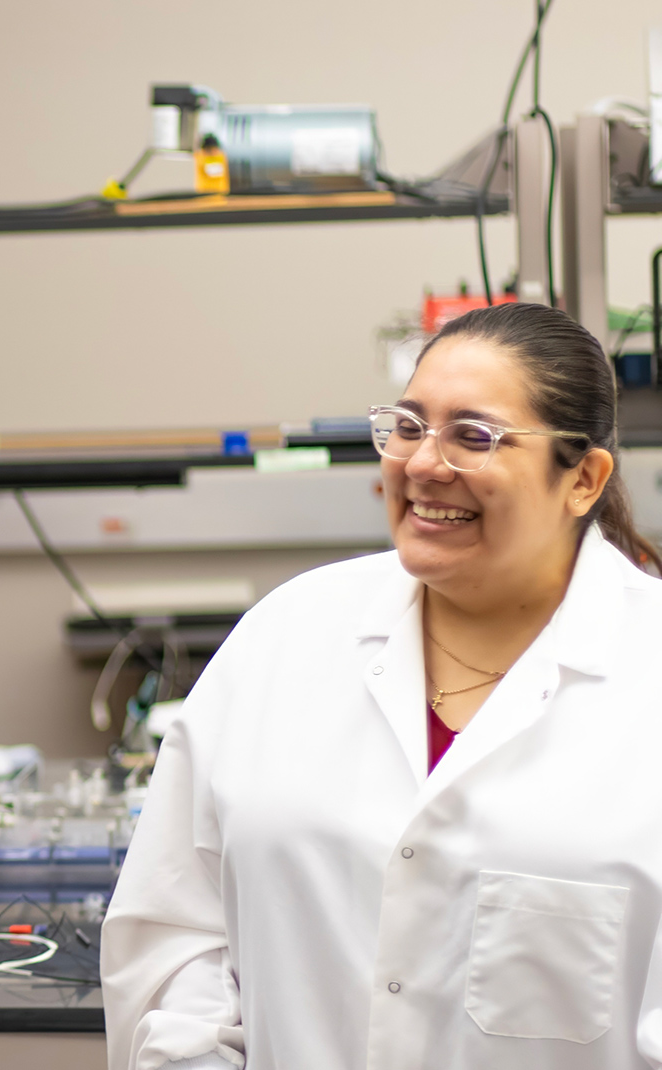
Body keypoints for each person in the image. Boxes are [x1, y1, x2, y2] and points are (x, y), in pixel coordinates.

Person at [102, 302, 662, 1070]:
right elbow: (176, 930)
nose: (424, 464)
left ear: (583, 479)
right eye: (407, 426)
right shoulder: (286, 637)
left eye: (474, 436)